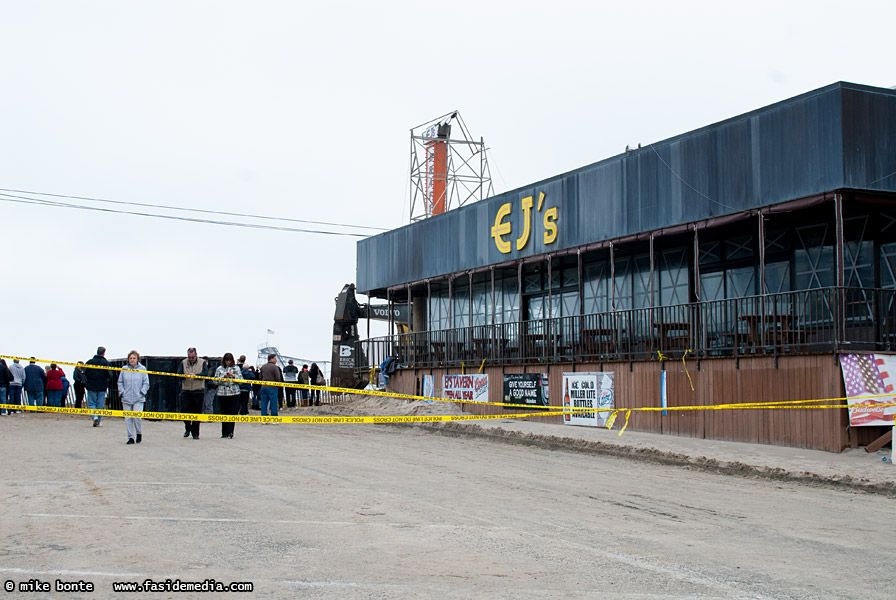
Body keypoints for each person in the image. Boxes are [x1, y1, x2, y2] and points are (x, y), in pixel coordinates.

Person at [118, 350, 149, 444]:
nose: (132, 360)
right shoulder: (124, 369)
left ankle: (139, 433)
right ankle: (131, 437)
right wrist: (122, 392)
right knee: (128, 419)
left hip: (138, 398)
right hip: (126, 398)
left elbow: (146, 383)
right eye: (130, 358)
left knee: (137, 417)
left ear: (137, 359)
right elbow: (120, 382)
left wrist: (142, 392)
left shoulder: (142, 369)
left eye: (134, 358)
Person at [177, 347, 207, 440]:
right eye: (189, 357)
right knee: (184, 411)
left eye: (192, 357)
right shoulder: (183, 362)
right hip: (186, 390)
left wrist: (196, 376)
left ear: (196, 355)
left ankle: (195, 433)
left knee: (197, 412)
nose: (191, 359)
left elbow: (206, 374)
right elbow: (178, 374)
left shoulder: (202, 362)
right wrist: (183, 376)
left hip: (198, 390)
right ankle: (188, 427)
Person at [215, 353, 241, 439]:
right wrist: (224, 377)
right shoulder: (219, 369)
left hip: (234, 393)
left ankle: (230, 431)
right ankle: (224, 432)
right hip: (222, 393)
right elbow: (215, 381)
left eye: (229, 360)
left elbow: (241, 380)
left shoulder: (236, 368)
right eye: (226, 360)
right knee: (224, 412)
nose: (228, 362)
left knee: (232, 412)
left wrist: (233, 376)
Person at [85, 346, 112, 426]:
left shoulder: (89, 362)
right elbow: (110, 374)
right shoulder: (106, 363)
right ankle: (98, 421)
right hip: (102, 387)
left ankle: (94, 416)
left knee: (91, 404)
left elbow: (84, 373)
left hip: (91, 386)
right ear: (104, 353)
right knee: (100, 405)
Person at [258, 353, 283, 419]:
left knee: (263, 403)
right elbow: (278, 378)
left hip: (264, 387)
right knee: (273, 403)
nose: (276, 360)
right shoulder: (275, 367)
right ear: (271, 359)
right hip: (272, 387)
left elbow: (260, 377)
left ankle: (264, 418)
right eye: (275, 359)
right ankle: (274, 418)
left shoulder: (263, 367)